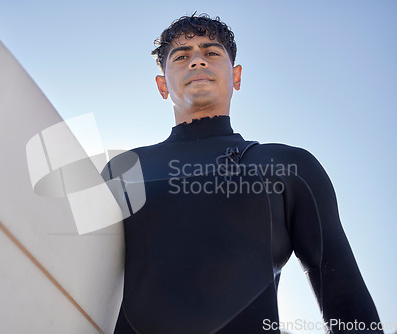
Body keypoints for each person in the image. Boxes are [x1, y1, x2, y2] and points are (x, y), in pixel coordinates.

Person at [102, 13, 382, 333]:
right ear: (162, 85)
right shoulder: (123, 171)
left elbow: (345, 297)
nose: (196, 62)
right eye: (181, 56)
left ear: (236, 76)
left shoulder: (289, 166)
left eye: (211, 52)